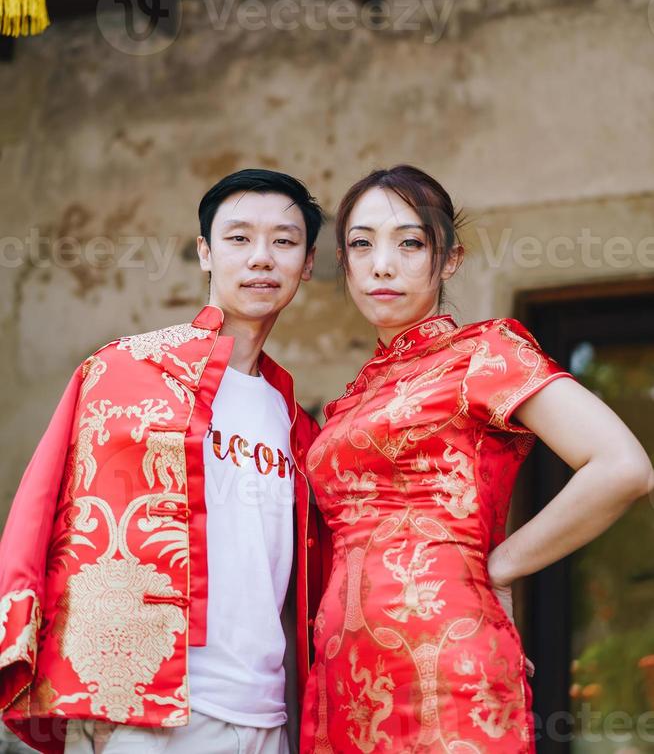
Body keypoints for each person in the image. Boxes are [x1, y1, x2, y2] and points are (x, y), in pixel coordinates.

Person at [299, 164, 654, 754]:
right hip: (346, 671)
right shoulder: (353, 400)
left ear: (450, 259)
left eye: (410, 243)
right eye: (361, 244)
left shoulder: (484, 354)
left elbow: (622, 465)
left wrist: (501, 566)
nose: (382, 264)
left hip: (449, 659)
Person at [0, 169, 331, 754]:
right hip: (150, 712)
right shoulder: (125, 373)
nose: (261, 258)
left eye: (284, 241)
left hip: (269, 714)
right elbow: (41, 516)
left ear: (306, 263)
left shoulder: (301, 428)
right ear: (204, 252)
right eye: (237, 239)